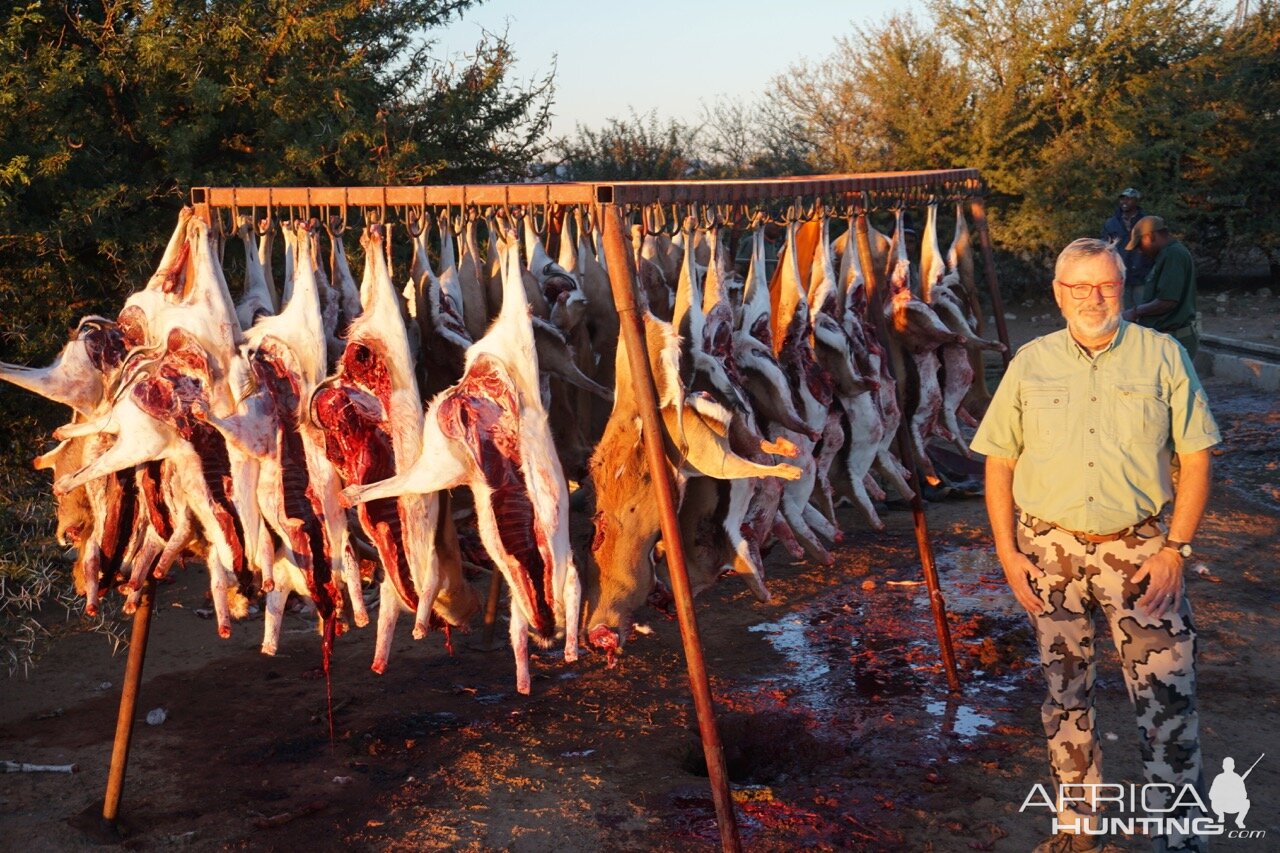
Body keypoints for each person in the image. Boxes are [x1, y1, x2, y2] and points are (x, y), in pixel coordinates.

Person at [970, 238, 1221, 853]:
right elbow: (1000, 460)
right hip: (1048, 555)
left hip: (1140, 555)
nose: (1092, 297)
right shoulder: (1030, 362)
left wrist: (1175, 550)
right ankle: (1079, 831)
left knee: (1167, 698)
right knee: (1065, 698)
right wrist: (1007, 552)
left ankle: (1177, 839)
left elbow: (1196, 454)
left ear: (1122, 287)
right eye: (1078, 286)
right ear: (1059, 294)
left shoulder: (1161, 357)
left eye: (1104, 285)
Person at [1123, 215, 1200, 358]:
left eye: (1140, 244)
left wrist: (1134, 312)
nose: (1139, 250)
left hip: (1174, 341)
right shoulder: (1165, 255)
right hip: (1167, 339)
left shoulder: (1173, 254)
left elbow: (1167, 301)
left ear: (1150, 237)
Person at [1101, 188, 1150, 296]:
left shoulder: (1146, 221)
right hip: (1120, 274)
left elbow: (1154, 245)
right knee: (1123, 310)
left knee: (1143, 309)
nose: (1124, 202)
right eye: (1122, 199)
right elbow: (1104, 246)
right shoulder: (1111, 223)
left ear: (1136, 201)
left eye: (1129, 199)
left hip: (1142, 274)